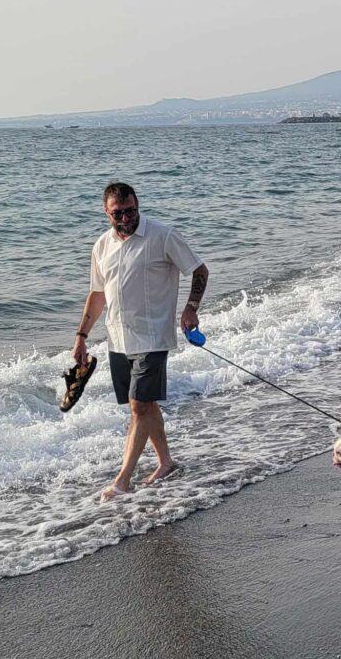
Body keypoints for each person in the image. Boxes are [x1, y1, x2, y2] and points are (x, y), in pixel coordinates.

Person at [72, 182, 209, 500]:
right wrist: (81, 336)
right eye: (117, 213)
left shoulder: (163, 236)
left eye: (130, 210)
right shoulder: (101, 246)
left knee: (139, 405)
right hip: (118, 339)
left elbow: (199, 271)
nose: (125, 218)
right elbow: (96, 296)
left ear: (138, 205)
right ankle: (166, 463)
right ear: (106, 212)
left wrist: (191, 308)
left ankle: (123, 479)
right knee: (144, 406)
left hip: (153, 336)